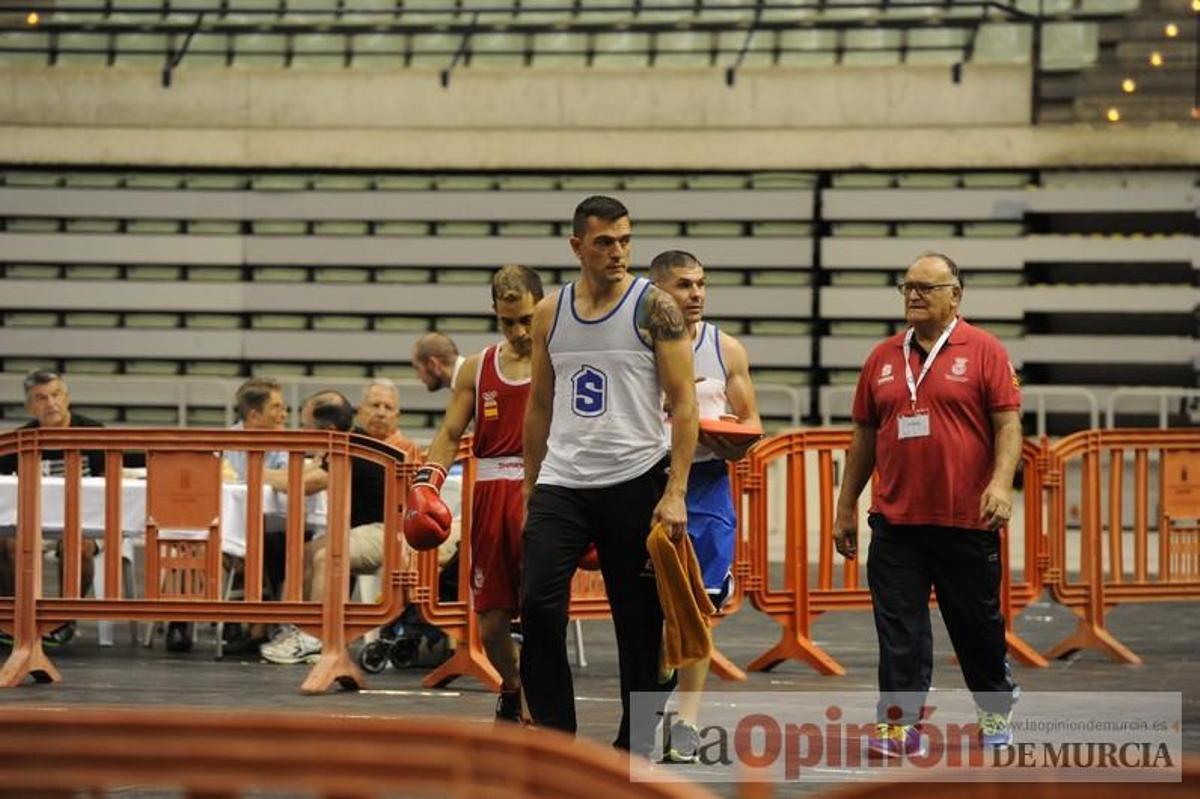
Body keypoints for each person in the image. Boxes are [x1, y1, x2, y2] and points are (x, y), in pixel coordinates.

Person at [519, 195, 698, 754]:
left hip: (635, 477)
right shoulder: (550, 312)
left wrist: (675, 491)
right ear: (577, 246)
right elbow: (539, 404)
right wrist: (531, 486)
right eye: (604, 242)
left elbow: (684, 403)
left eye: (624, 240)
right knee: (537, 606)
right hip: (563, 481)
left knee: (638, 624)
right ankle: (556, 739)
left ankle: (633, 746)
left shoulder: (655, 308)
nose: (618, 251)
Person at [832, 252, 1023, 757]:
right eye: (907, 287)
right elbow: (863, 436)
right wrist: (845, 506)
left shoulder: (984, 350)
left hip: (966, 520)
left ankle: (995, 708)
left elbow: (1008, 425)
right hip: (896, 522)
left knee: (976, 628)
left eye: (925, 287)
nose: (913, 296)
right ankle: (900, 726)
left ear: (955, 295)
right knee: (900, 631)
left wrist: (1001, 484)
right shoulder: (881, 358)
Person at [404, 264, 543, 722]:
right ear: (495, 313)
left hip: (545, 491)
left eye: (527, 320)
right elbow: (450, 432)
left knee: (543, 611)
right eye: (508, 322)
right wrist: (427, 482)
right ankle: (513, 686)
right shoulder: (478, 368)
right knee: (491, 618)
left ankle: (541, 704)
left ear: (542, 308)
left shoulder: (559, 361)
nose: (519, 332)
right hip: (490, 496)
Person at [648, 250, 762, 763]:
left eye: (700, 284)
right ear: (657, 292)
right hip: (646, 482)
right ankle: (653, 696)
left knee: (697, 610)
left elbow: (750, 425)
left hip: (706, 487)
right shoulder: (636, 348)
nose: (695, 294)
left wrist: (728, 440)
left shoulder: (725, 349)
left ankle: (688, 723)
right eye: (684, 285)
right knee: (649, 613)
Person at [261, 391, 398, 665]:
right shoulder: (344, 442)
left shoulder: (354, 448)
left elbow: (304, 484)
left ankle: (316, 638)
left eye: (307, 427)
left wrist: (256, 474)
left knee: (326, 556)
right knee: (305, 552)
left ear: (329, 430)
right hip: (363, 530)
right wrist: (257, 474)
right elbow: (302, 474)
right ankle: (299, 629)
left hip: (387, 532)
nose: (303, 432)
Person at [0, 370, 105, 646]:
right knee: (7, 543)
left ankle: (64, 620)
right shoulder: (20, 440)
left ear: (67, 398)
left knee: (78, 546)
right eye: (41, 398)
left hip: (86, 520)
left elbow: (110, 481)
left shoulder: (94, 433)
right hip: (33, 520)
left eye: (56, 395)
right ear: (29, 407)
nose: (51, 403)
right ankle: (15, 619)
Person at [355, 379, 422, 462]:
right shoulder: (348, 443)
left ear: (397, 417)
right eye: (375, 405)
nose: (381, 413)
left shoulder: (409, 449)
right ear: (360, 412)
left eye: (388, 407)